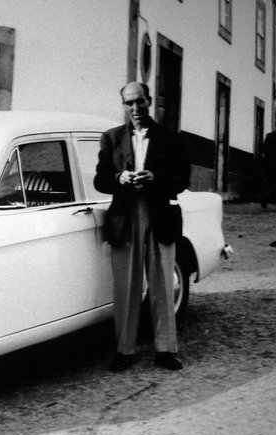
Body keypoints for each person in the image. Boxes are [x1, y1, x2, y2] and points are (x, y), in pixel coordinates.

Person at [94, 81, 190, 372]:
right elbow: (100, 180)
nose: (135, 108)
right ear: (123, 105)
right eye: (129, 103)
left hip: (159, 214)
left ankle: (165, 350)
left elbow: (182, 180)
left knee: (163, 284)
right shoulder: (111, 138)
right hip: (125, 217)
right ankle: (124, 350)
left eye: (140, 101)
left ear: (149, 100)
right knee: (126, 286)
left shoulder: (170, 138)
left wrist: (156, 178)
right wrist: (120, 178)